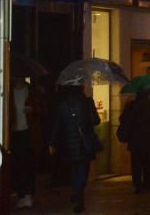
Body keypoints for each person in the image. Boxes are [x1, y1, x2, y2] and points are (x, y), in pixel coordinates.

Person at [49, 82, 101, 213]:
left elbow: (58, 125)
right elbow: (96, 120)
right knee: (84, 170)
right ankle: (78, 193)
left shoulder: (64, 105)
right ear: (82, 88)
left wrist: (52, 143)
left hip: (69, 143)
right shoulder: (87, 102)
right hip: (85, 142)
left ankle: (78, 195)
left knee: (75, 170)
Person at [10, 78, 37, 209]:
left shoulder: (31, 91)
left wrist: (33, 110)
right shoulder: (8, 92)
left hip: (28, 132)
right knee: (16, 163)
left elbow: (42, 110)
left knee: (27, 162)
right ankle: (21, 195)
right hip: (13, 132)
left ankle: (28, 195)